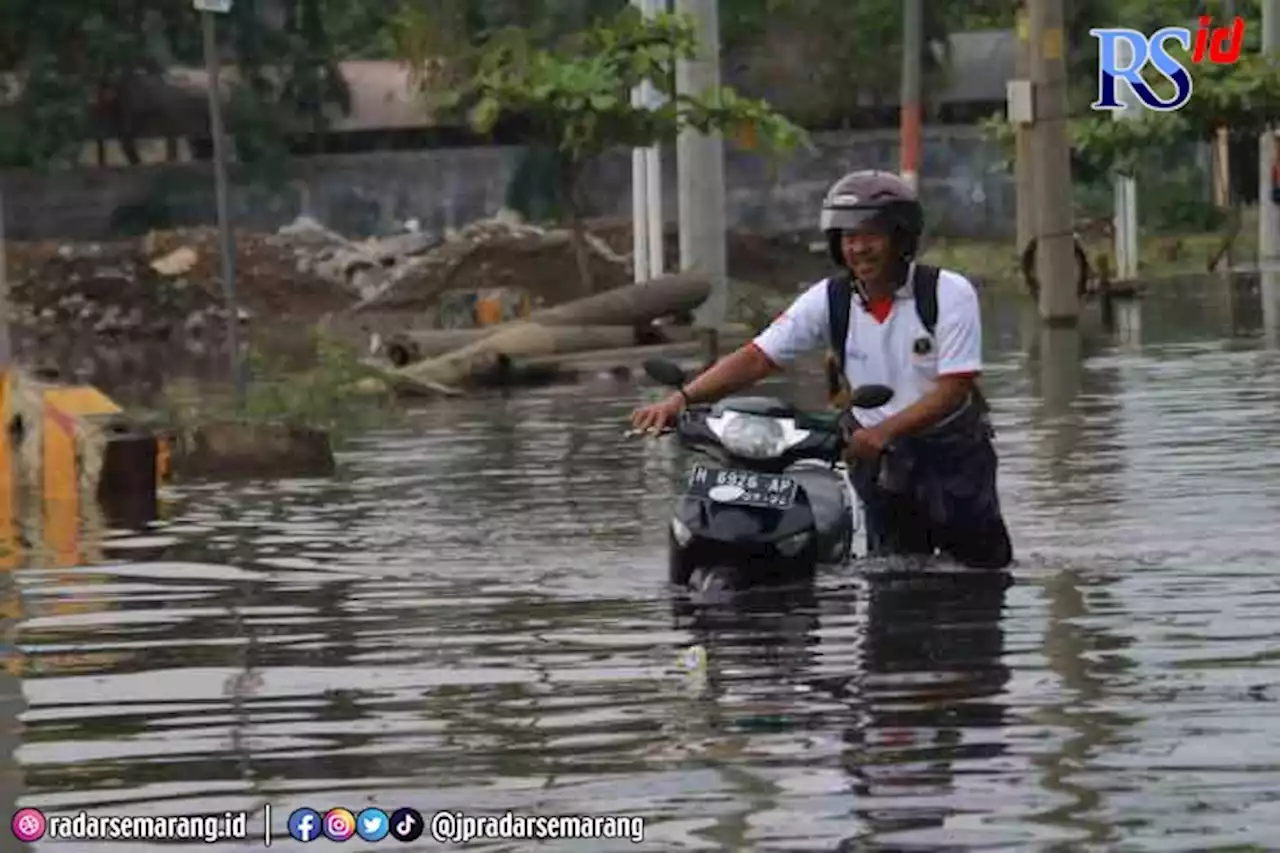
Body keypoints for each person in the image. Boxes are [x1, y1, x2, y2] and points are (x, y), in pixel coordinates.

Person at [629, 169, 1012, 569]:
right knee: (894, 577)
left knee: (979, 577)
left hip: (953, 457)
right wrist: (681, 399)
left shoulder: (947, 293)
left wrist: (883, 431)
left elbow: (955, 387)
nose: (858, 248)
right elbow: (759, 356)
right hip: (878, 463)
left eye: (870, 235)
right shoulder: (831, 299)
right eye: (848, 238)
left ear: (901, 239)